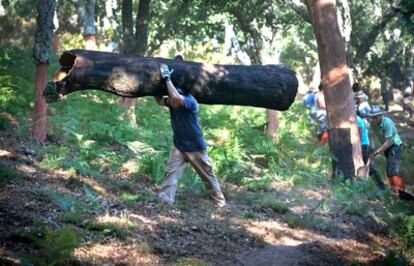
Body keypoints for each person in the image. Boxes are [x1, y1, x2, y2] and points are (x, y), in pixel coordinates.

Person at [154, 63, 226, 207]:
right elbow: (159, 101)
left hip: (194, 146)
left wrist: (167, 78)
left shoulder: (190, 101)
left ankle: (220, 202)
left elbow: (175, 98)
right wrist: (157, 85)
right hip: (179, 145)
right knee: (171, 173)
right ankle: (165, 201)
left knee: (207, 175)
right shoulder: (172, 102)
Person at [368, 105, 405, 193]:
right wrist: (372, 147)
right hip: (387, 148)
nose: (374, 119)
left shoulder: (387, 123)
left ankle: (400, 191)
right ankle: (394, 191)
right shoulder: (372, 123)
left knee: (392, 170)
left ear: (380, 115)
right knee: (389, 171)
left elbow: (389, 142)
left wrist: (376, 153)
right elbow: (372, 134)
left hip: (395, 146)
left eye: (376, 117)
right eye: (373, 117)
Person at [356, 114, 385, 189]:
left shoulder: (357, 119)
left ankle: (381, 187)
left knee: (371, 168)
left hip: (363, 145)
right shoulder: (356, 119)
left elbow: (360, 135)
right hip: (362, 145)